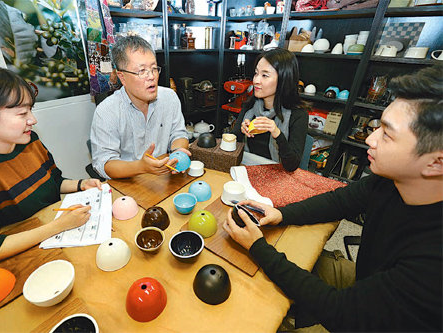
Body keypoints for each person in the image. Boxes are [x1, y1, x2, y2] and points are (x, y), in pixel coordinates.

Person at [223, 65, 442, 331]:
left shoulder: (432, 264)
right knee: (289, 255)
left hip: (362, 318)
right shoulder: (388, 183)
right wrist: (282, 214)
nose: (370, 139)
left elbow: (340, 311)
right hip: (368, 279)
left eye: (387, 134)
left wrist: (258, 247)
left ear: (436, 163)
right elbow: (338, 201)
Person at [0, 63, 102, 273]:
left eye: (30, 110)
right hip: (18, 265)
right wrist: (58, 226)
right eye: (22, 113)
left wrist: (81, 184)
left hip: (56, 243)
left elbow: (54, 181)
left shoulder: (29, 141)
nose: (32, 120)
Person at [90, 36, 189, 179]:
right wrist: (141, 167)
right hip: (128, 181)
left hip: (164, 176)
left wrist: (178, 153)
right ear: (122, 77)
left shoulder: (169, 97)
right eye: (141, 71)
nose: (151, 77)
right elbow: (105, 163)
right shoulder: (106, 111)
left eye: (154, 68)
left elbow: (178, 134)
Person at [232, 48, 308, 171]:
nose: (256, 80)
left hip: (279, 176)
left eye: (265, 75)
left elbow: (292, 165)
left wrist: (276, 133)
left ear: (284, 79)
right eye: (256, 73)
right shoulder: (250, 106)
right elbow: (233, 144)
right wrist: (240, 131)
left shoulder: (298, 114)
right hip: (247, 169)